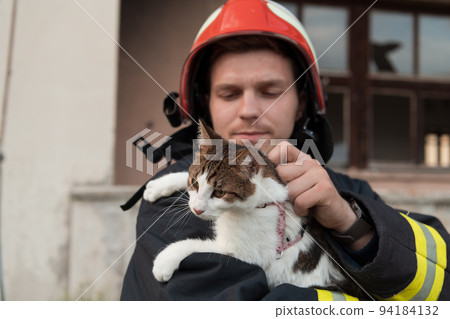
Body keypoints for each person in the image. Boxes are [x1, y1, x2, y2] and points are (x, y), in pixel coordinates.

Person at [121, 0, 450, 301]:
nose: (250, 110)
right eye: (230, 93)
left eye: (270, 91)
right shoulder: (172, 197)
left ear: (301, 104)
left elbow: (442, 285)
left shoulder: (349, 194)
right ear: (205, 107)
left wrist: (355, 228)